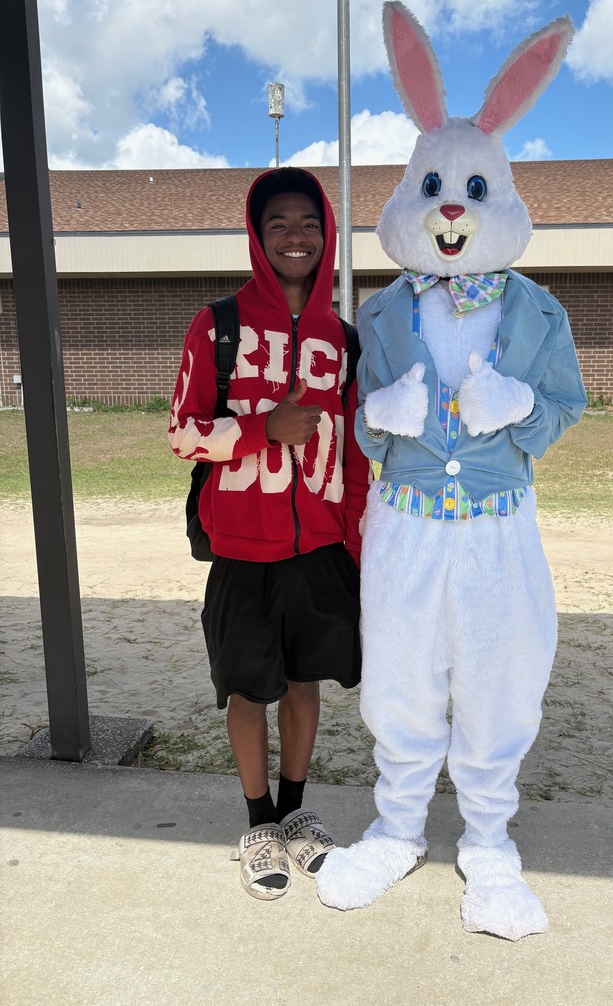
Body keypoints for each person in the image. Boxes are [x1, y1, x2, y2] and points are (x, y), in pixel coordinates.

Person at [168, 167, 368, 901]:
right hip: (242, 552)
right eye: (279, 222)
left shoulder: (342, 340)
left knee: (302, 682)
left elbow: (351, 455)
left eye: (309, 223)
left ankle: (294, 813)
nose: (295, 236)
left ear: (328, 236)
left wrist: (353, 543)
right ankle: (256, 824)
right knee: (247, 690)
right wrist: (261, 430)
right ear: (257, 234)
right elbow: (182, 435)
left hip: (316, 549)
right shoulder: (216, 324)